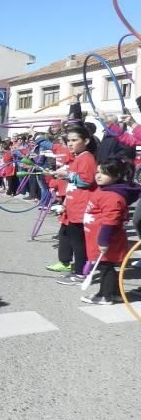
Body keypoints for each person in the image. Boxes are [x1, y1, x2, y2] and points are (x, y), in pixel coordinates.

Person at [81, 158, 140, 305]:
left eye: (104, 173)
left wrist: (103, 241)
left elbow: (110, 221)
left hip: (107, 240)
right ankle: (115, 294)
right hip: (98, 236)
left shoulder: (113, 196)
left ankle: (104, 295)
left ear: (116, 176)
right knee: (107, 266)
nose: (98, 176)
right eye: (97, 172)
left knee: (105, 267)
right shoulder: (103, 189)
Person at [46, 125, 97, 282]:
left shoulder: (86, 158)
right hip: (73, 205)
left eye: (75, 140)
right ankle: (78, 269)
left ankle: (81, 272)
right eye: (69, 140)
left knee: (78, 242)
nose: (70, 143)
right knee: (72, 239)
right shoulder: (78, 157)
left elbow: (86, 181)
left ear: (86, 141)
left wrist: (67, 174)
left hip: (81, 206)